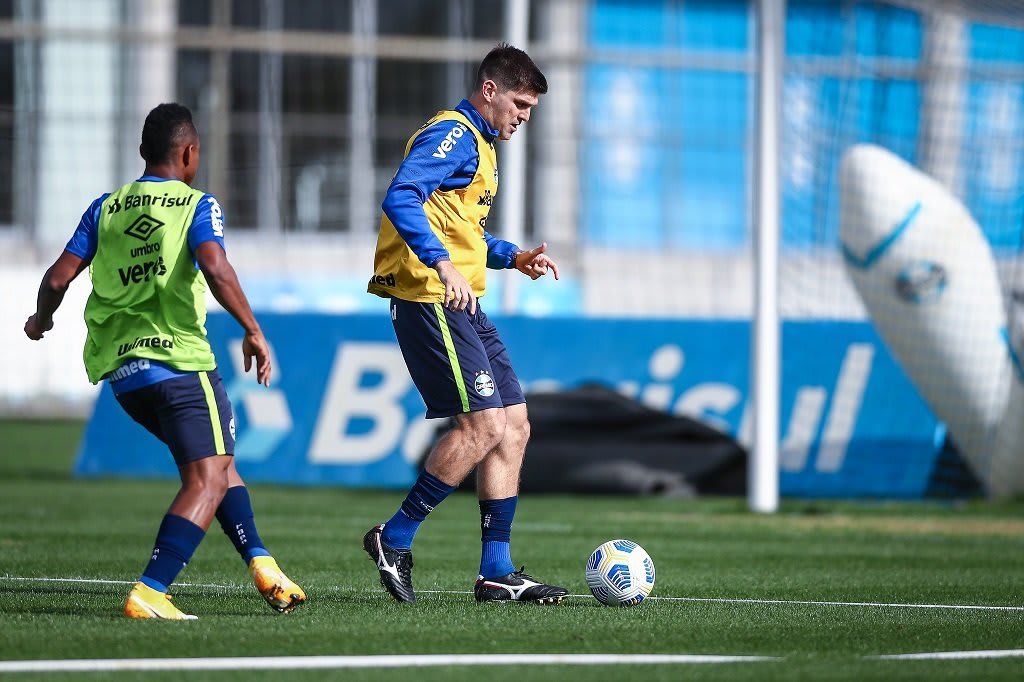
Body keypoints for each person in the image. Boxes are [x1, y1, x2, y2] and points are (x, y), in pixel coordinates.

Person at [24, 103, 305, 620]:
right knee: (207, 478)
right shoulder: (195, 204)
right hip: (178, 361)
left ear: (141, 153)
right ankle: (151, 590)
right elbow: (215, 266)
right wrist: (253, 328)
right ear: (190, 152)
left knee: (218, 466)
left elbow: (58, 278)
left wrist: (41, 320)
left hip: (126, 378)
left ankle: (262, 562)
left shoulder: (105, 208)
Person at [363, 44, 566, 604]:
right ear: (491, 90)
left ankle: (496, 570)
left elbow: (463, 234)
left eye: (532, 108)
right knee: (482, 427)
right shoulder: (453, 133)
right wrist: (441, 262)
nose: (524, 116)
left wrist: (512, 256)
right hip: (431, 297)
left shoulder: (481, 145)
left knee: (515, 425)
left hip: (462, 299)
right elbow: (401, 195)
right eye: (521, 103)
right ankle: (394, 536)